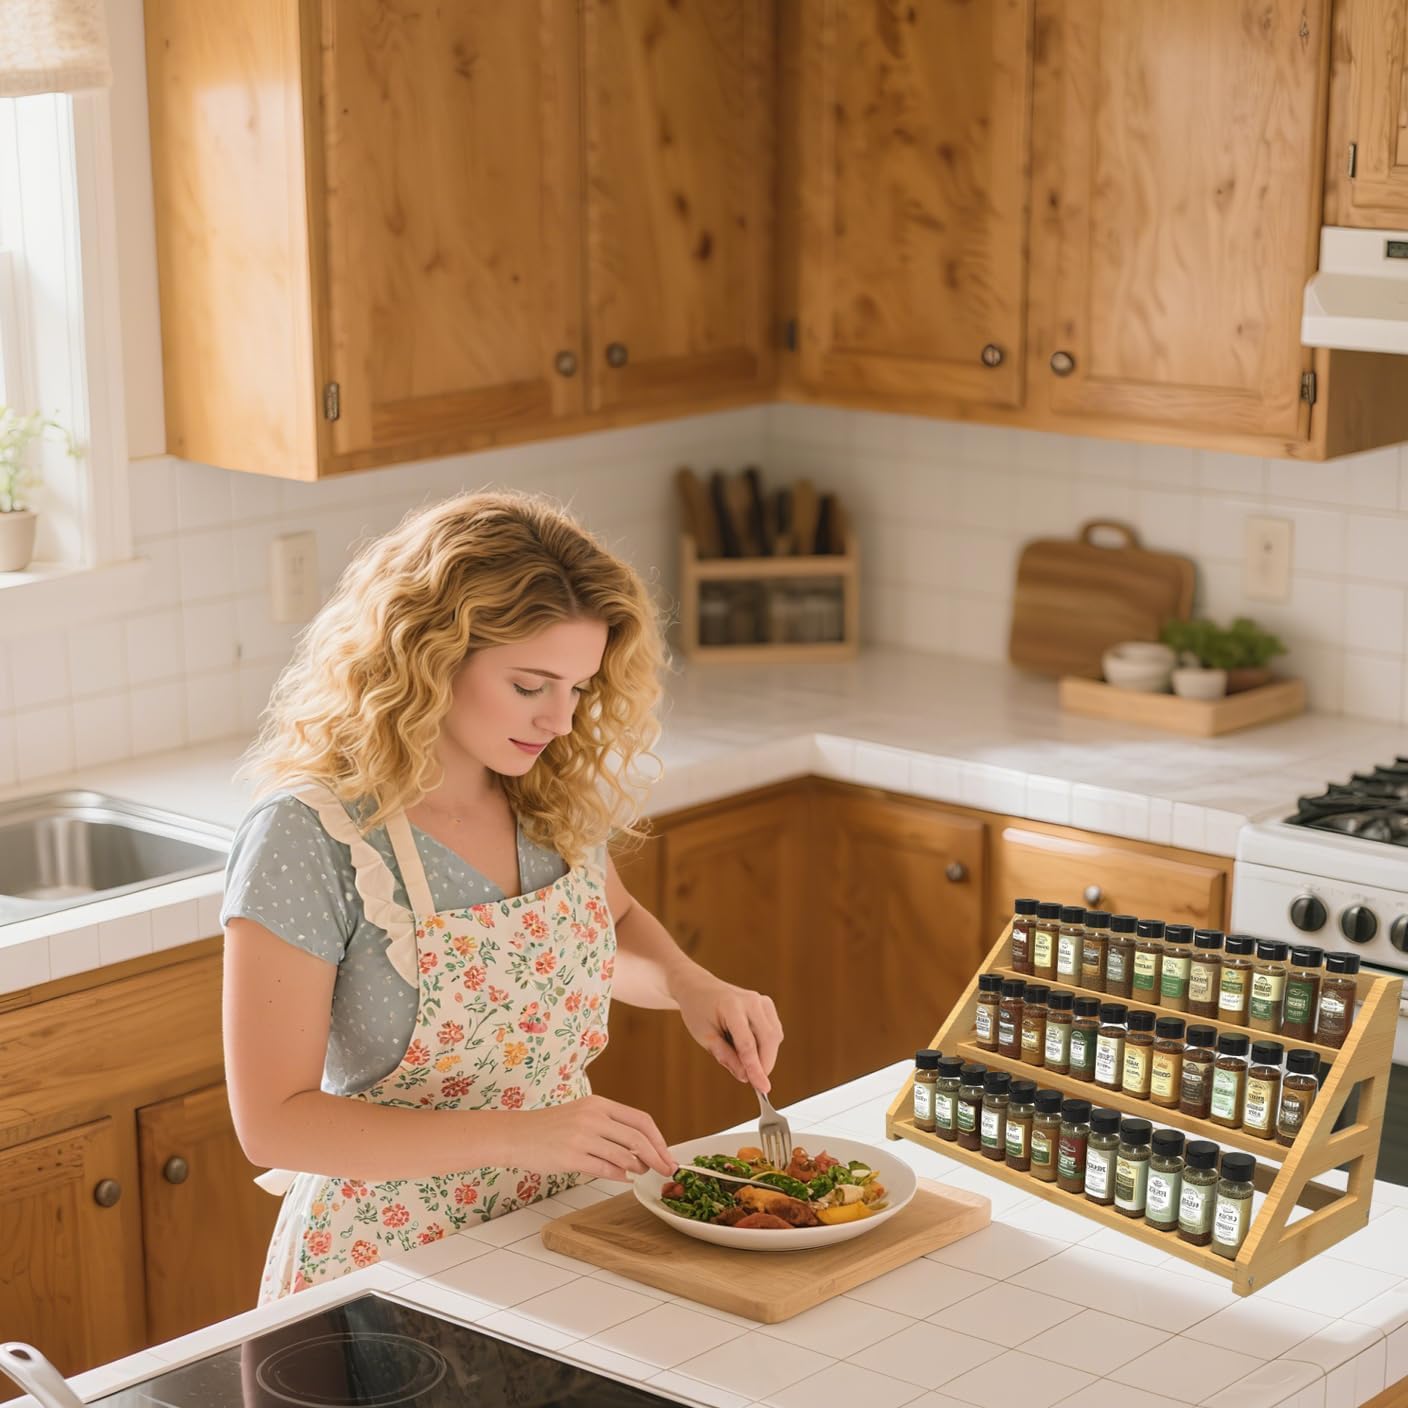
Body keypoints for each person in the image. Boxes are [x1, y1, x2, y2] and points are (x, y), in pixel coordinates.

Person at [221, 491, 784, 1300]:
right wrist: (520, 1136)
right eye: (530, 685)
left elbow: (609, 923)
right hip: (387, 1270)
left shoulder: (545, 793)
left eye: (579, 688)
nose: (560, 719)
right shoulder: (311, 836)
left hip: (557, 1235)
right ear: (427, 654)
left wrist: (690, 984)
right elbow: (273, 1123)